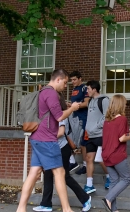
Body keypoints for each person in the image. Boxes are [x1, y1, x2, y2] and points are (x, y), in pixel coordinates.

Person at [16, 69, 80, 212]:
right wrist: (73, 108)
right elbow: (59, 117)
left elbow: (51, 110)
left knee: (34, 173)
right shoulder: (51, 93)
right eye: (64, 82)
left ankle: (20, 208)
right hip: (47, 140)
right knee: (60, 173)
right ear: (58, 79)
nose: (65, 86)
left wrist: (67, 106)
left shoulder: (43, 92)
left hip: (37, 138)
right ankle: (67, 209)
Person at [33, 91, 92, 212]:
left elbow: (60, 133)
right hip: (52, 148)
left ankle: (85, 198)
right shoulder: (51, 114)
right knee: (48, 175)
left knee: (64, 176)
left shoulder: (61, 115)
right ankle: (46, 204)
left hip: (61, 149)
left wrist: (45, 137)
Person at [100, 95, 130, 212]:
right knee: (126, 179)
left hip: (106, 155)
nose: (125, 105)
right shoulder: (122, 119)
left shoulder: (107, 121)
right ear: (121, 105)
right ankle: (108, 199)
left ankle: (113, 209)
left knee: (114, 181)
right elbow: (121, 138)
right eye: (124, 103)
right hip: (117, 154)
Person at [83, 80, 110, 194]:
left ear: (94, 89)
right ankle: (89, 184)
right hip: (90, 136)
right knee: (89, 159)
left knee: (101, 160)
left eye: (88, 89)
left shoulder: (104, 100)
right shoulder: (90, 101)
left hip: (100, 135)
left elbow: (106, 116)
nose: (87, 91)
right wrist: (87, 129)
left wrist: (96, 127)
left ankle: (110, 177)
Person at [69, 71, 90, 175]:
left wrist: (75, 106)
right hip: (74, 117)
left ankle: (85, 165)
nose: (72, 82)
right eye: (71, 80)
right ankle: (72, 162)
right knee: (71, 139)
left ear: (80, 78)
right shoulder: (74, 89)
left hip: (83, 118)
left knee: (83, 142)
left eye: (74, 79)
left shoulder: (84, 88)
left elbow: (86, 103)